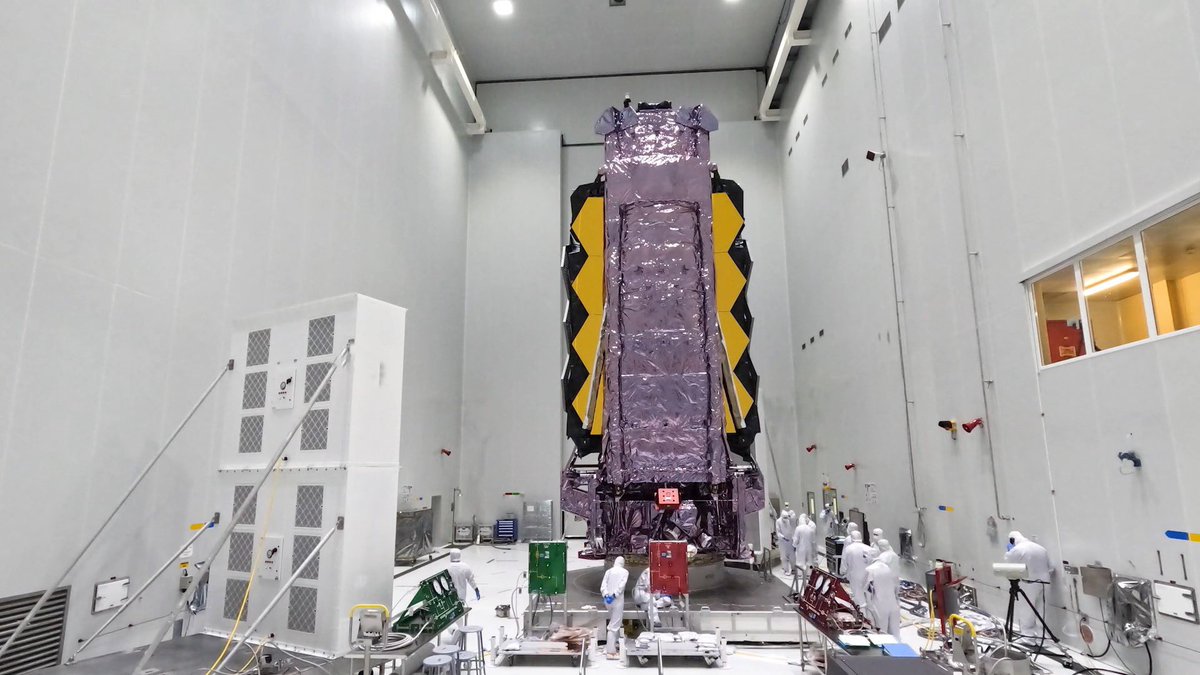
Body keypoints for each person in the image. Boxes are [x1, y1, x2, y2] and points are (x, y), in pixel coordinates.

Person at [1003, 531, 1054, 639]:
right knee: (1042, 610)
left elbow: (1009, 565)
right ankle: (1043, 637)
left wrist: (1009, 552)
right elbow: (1051, 568)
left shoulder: (1017, 549)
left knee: (1027, 609)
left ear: (1012, 540)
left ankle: (1028, 636)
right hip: (1045, 582)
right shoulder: (1041, 548)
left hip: (1029, 583)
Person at [865, 549, 902, 639]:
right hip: (893, 605)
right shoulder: (889, 568)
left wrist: (869, 608)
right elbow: (896, 589)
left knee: (881, 633)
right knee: (895, 633)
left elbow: (868, 590)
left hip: (879, 604)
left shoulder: (870, 569)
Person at [601, 556, 629, 658]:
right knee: (614, 625)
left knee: (614, 621)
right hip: (617, 600)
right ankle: (610, 651)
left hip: (607, 600)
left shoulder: (609, 571)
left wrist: (606, 595)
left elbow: (603, 585)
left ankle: (616, 642)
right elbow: (621, 586)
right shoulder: (625, 572)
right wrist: (614, 595)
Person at [839, 531, 872, 608]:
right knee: (867, 593)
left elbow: (844, 562)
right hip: (868, 575)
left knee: (857, 594)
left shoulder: (848, 549)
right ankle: (869, 608)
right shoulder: (869, 549)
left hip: (854, 575)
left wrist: (842, 571)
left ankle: (861, 610)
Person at [775, 504, 798, 575]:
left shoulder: (789, 520)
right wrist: (783, 537)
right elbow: (778, 532)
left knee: (792, 556)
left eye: (786, 517)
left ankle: (793, 569)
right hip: (782, 542)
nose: (786, 519)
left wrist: (790, 512)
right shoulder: (778, 521)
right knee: (784, 557)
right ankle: (786, 570)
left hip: (790, 541)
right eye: (784, 518)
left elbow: (793, 518)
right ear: (781, 517)